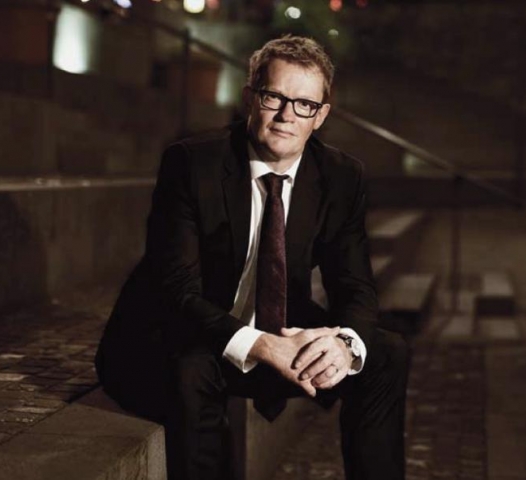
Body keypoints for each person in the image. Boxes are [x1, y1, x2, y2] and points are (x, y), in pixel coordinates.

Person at [95, 35, 408, 480]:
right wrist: (263, 346)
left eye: (304, 104)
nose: (286, 115)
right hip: (185, 333)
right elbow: (177, 293)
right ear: (249, 98)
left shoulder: (341, 176)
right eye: (273, 97)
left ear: (320, 116)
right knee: (192, 367)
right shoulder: (192, 164)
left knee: (385, 353)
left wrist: (343, 344)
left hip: (276, 332)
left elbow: (355, 285)